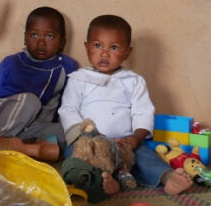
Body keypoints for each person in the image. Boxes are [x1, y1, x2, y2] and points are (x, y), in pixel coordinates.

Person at [58, 15, 193, 195]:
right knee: (76, 161)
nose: (104, 53)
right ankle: (106, 183)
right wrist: (84, 138)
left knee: (144, 157)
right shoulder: (78, 79)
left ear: (127, 53)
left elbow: (143, 112)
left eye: (114, 47)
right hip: (89, 143)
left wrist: (136, 138)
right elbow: (68, 110)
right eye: (97, 46)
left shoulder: (133, 81)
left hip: (124, 143)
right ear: (87, 46)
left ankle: (167, 177)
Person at [0, 7, 78, 161]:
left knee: (72, 131)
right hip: (1, 122)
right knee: (30, 101)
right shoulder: (12, 62)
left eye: (50, 36)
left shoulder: (67, 67)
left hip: (35, 127)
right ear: (25, 38)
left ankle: (22, 145)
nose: (41, 42)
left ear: (62, 42)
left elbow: (67, 104)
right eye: (34, 35)